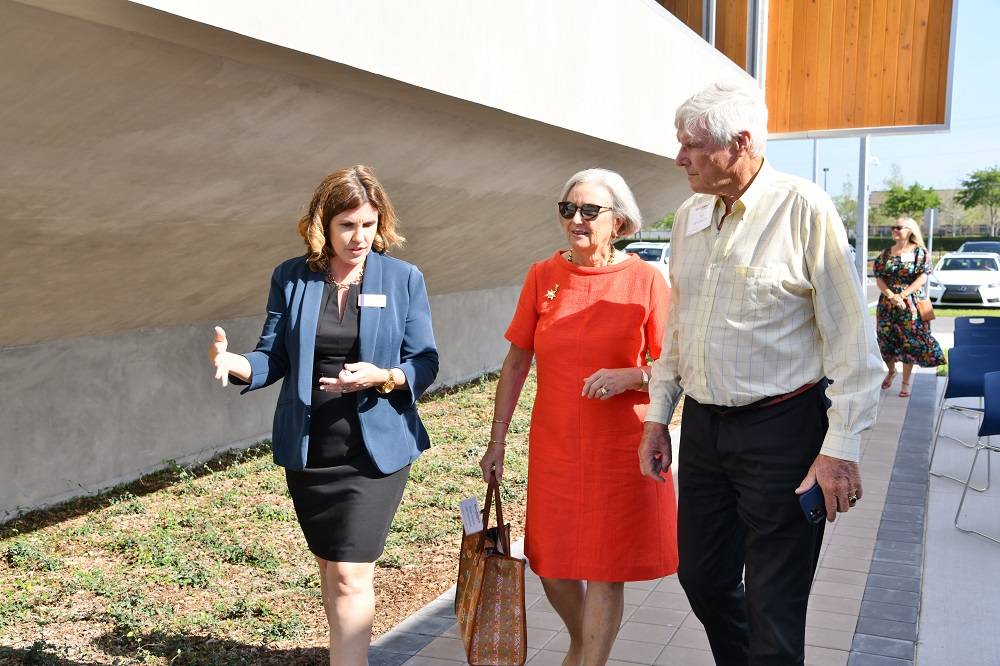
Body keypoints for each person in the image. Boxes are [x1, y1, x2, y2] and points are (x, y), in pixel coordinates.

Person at [638, 82, 885, 665]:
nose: (679, 159)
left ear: (741, 143)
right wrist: (657, 417)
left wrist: (840, 450)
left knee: (775, 604)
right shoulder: (692, 216)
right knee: (701, 578)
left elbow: (853, 342)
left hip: (783, 432)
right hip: (704, 430)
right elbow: (679, 332)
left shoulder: (804, 208)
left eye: (691, 146)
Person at [207, 165, 438, 666]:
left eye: (369, 225)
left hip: (373, 451)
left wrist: (382, 376)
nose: (360, 238)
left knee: (354, 574)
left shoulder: (403, 278)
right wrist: (238, 364)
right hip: (312, 448)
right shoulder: (292, 277)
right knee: (332, 571)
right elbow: (275, 355)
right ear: (324, 226)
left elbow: (425, 360)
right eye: (347, 226)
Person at [479, 168, 677, 666]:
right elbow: (518, 361)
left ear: (619, 221)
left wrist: (630, 376)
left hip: (620, 446)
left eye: (590, 211)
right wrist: (497, 440)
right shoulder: (542, 276)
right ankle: (579, 640)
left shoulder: (646, 280)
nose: (577, 220)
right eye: (568, 209)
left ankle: (591, 660)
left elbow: (676, 368)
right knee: (551, 563)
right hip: (557, 446)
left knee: (606, 566)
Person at [874, 217, 946, 397]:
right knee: (885, 340)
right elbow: (879, 277)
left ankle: (905, 383)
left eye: (899, 227)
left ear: (910, 230)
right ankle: (891, 371)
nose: (895, 230)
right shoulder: (885, 254)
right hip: (888, 304)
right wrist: (891, 295)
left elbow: (922, 277)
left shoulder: (919, 252)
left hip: (912, 303)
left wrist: (902, 295)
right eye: (893, 227)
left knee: (909, 342)